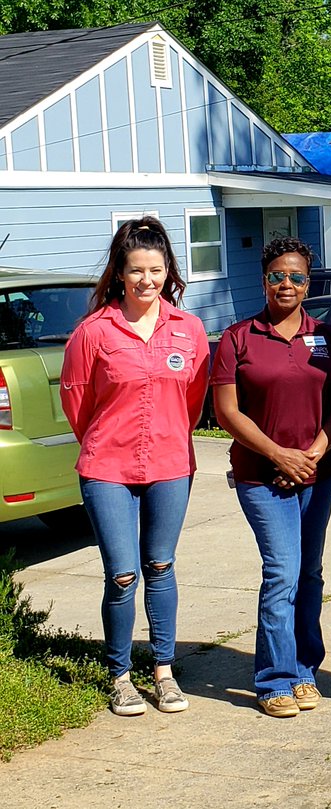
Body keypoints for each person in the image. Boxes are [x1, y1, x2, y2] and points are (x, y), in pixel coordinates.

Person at [60, 216, 209, 716]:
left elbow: (192, 400)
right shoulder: (93, 332)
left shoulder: (188, 330)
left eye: (157, 269)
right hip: (107, 468)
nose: (148, 279)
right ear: (119, 274)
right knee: (123, 573)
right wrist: (108, 443)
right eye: (137, 270)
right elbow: (77, 403)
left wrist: (164, 436)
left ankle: (164, 671)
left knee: (161, 566)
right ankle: (120, 675)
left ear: (169, 272)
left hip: (170, 464)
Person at [211, 238, 331, 718]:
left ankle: (305, 669)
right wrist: (279, 456)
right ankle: (274, 678)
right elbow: (227, 412)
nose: (285, 284)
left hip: (318, 472)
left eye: (295, 276)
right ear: (263, 280)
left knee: (309, 573)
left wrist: (310, 456)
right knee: (281, 574)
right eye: (276, 276)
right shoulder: (238, 338)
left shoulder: (327, 338)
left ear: (308, 283)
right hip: (260, 476)